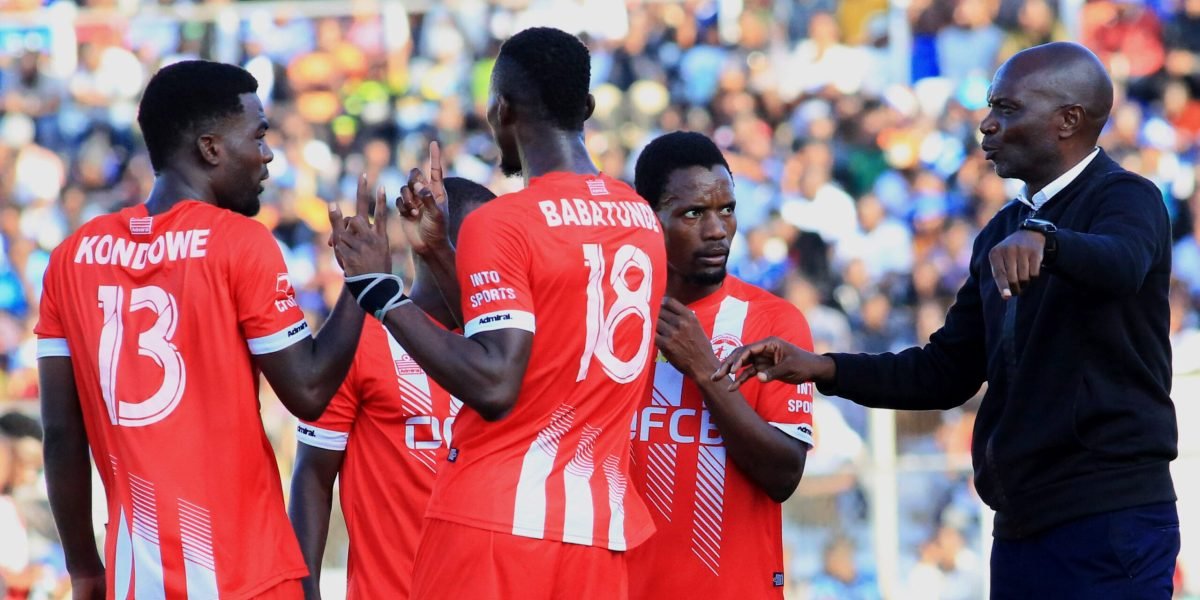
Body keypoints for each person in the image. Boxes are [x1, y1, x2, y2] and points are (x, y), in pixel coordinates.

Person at [715, 41, 1179, 597]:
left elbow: (1123, 263)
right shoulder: (1002, 230)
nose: (986, 125)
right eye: (990, 108)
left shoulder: (1128, 198)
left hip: (1109, 519)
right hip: (1022, 527)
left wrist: (1050, 243)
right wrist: (823, 368)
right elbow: (944, 371)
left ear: (1068, 120)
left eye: (1007, 109)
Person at [329, 27, 667, 599]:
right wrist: (438, 255)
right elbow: (534, 347)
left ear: (502, 109)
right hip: (596, 531)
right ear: (585, 108)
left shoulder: (504, 221)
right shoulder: (639, 217)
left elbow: (495, 382)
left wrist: (379, 293)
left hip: (496, 525)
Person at [35, 60, 369, 599]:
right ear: (211, 148)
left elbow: (60, 436)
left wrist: (84, 570)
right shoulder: (240, 243)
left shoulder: (71, 258)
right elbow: (308, 392)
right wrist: (363, 283)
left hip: (135, 579)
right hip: (246, 575)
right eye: (258, 136)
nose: (267, 154)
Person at [625, 131, 813, 598]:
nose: (716, 230)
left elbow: (784, 475)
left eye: (726, 210)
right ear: (649, 217)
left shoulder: (774, 322)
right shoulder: (612, 319)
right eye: (693, 213)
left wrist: (706, 370)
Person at [288, 177, 496, 599]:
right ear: (433, 243)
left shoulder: (507, 352)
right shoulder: (362, 338)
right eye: (484, 250)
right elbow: (313, 474)